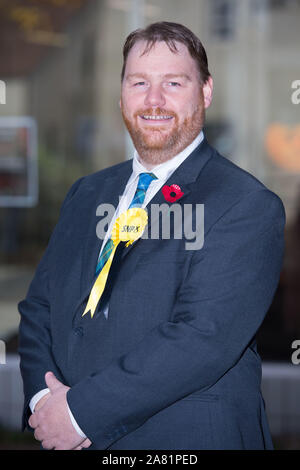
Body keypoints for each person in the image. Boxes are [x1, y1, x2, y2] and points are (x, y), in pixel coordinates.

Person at [18, 21, 285, 450]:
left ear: (206, 92)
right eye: (139, 81)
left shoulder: (245, 204)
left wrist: (79, 413)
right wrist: (44, 400)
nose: (154, 99)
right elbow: (38, 310)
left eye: (174, 82)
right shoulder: (87, 194)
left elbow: (202, 338)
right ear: (122, 93)